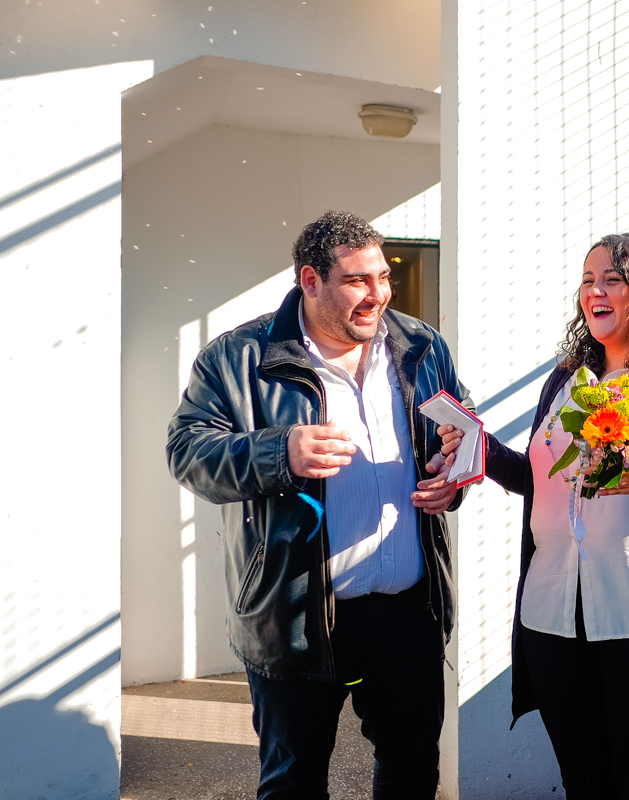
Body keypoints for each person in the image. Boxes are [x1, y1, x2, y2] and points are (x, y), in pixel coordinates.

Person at [166, 211, 472, 800]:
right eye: (358, 280)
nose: (378, 294)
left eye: (383, 277)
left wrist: (451, 474)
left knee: (412, 773)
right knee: (294, 783)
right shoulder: (238, 358)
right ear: (310, 281)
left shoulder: (420, 345)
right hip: (299, 617)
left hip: (410, 613)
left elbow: (454, 424)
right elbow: (187, 452)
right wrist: (279, 451)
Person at [441, 234, 629, 798]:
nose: (595, 291)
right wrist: (482, 452)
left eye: (612, 279)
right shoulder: (566, 377)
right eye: (586, 280)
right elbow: (541, 480)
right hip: (552, 616)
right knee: (583, 779)